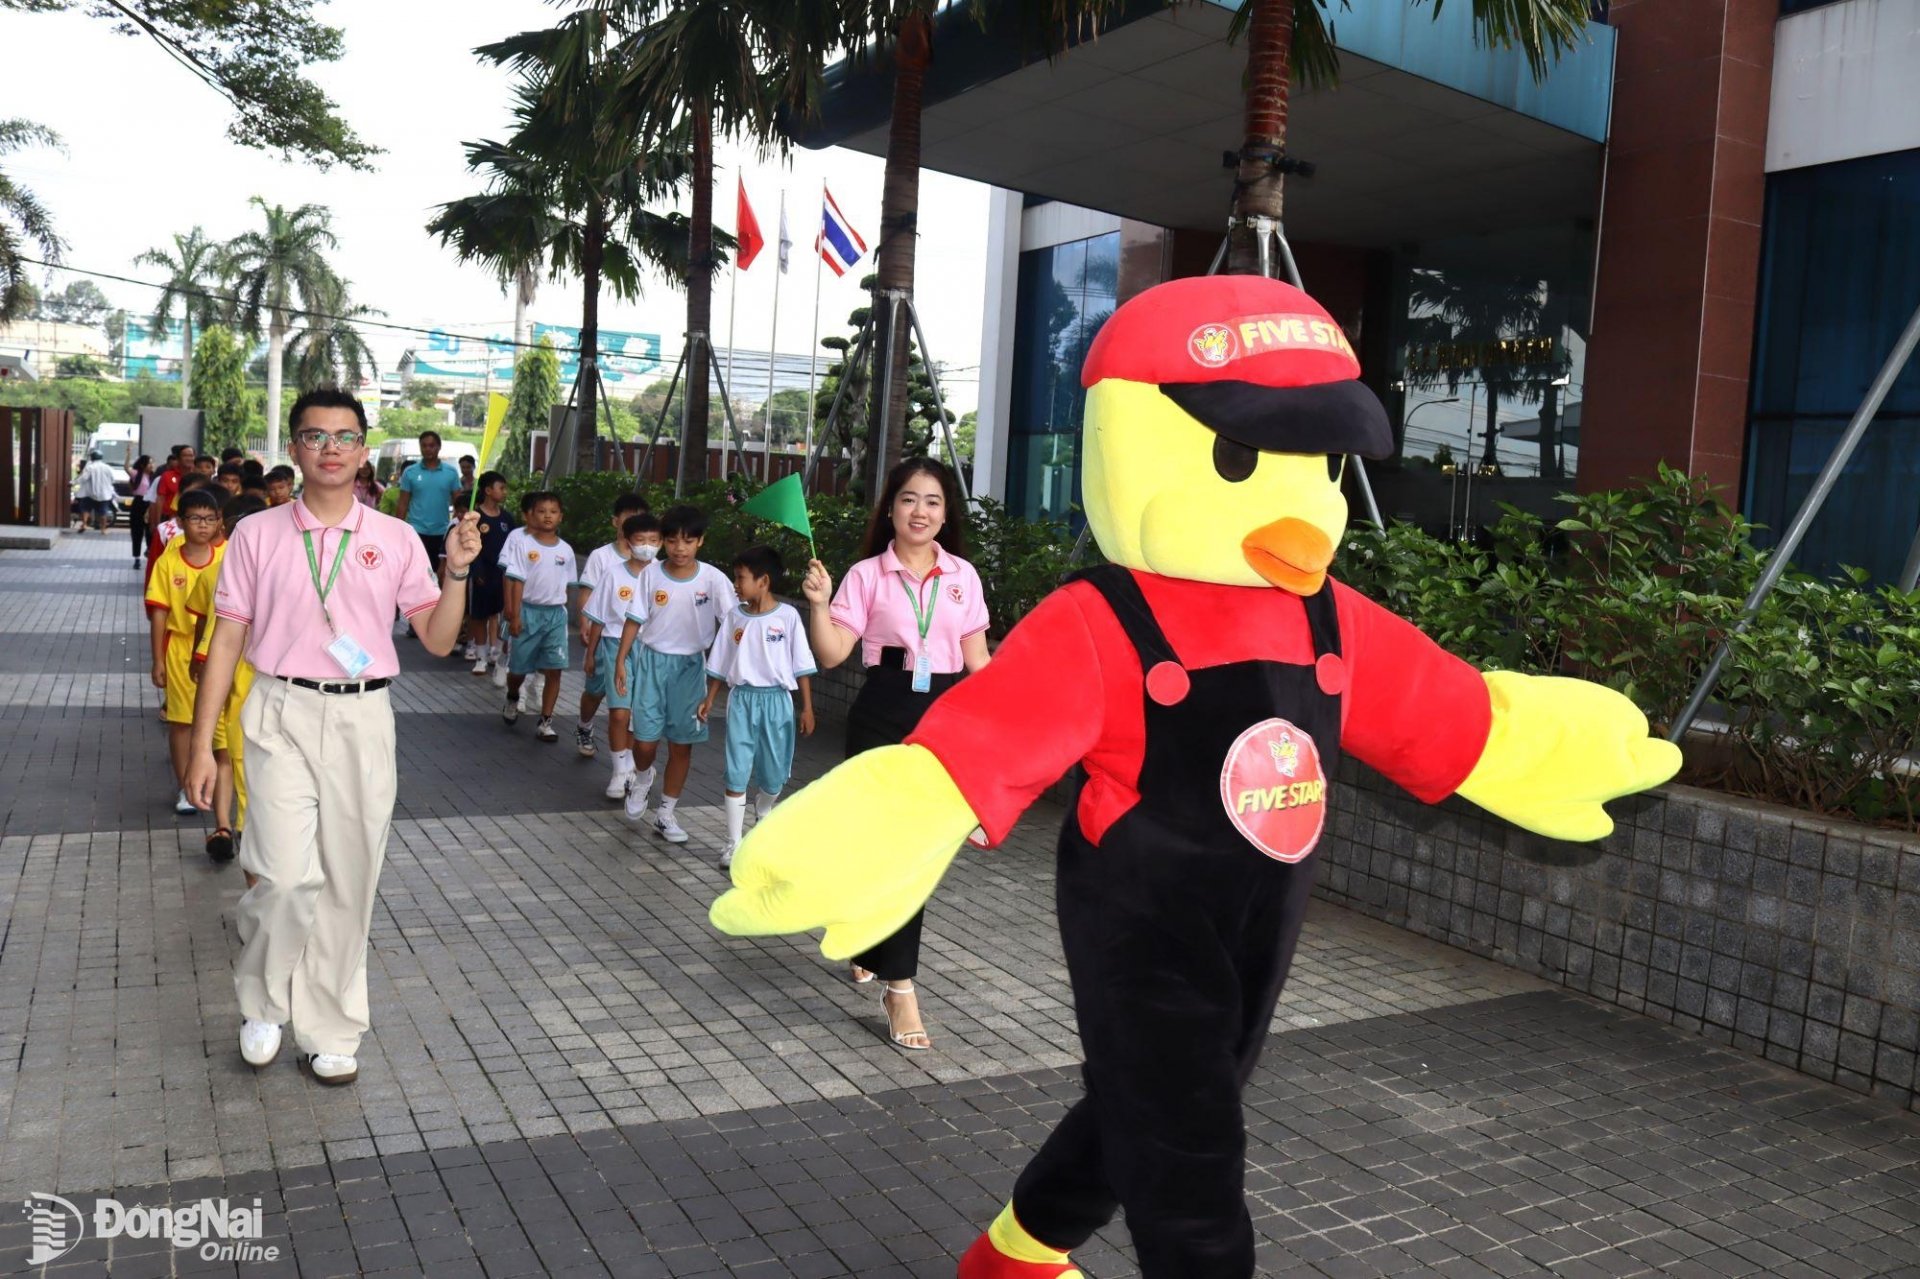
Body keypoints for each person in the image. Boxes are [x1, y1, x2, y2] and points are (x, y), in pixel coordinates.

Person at [186, 388, 481, 1088]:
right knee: (284, 875)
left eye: (345, 437)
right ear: (293, 448)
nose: (330, 449)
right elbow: (227, 641)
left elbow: (438, 639)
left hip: (364, 716)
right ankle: (263, 999)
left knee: (350, 879)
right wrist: (203, 746)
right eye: (315, 436)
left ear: (363, 450)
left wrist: (459, 569)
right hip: (279, 708)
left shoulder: (395, 537)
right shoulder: (256, 534)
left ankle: (331, 1027)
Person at [799, 457, 990, 1051]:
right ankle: (898, 981)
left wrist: (1003, 734)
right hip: (882, 711)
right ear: (891, 507)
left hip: (944, 716)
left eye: (933, 501)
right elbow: (832, 655)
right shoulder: (866, 575)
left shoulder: (963, 576)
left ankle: (887, 967)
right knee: (879, 845)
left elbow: (980, 665)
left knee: (915, 852)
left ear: (945, 513)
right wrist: (818, 603)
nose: (920, 512)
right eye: (909, 499)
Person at [612, 504, 737, 843]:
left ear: (700, 541)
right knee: (645, 744)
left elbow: (734, 624)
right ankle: (641, 777)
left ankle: (666, 813)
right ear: (664, 542)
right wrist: (622, 660)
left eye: (688, 541)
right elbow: (634, 618)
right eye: (672, 541)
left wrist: (728, 670)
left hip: (691, 669)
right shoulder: (650, 574)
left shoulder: (713, 579)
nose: (680, 548)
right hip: (651, 663)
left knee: (682, 746)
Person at [699, 545, 816, 869]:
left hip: (777, 702)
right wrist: (709, 699)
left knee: (774, 775)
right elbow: (720, 661)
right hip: (742, 701)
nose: (735, 585)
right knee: (736, 771)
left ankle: (763, 814)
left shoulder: (788, 617)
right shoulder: (735, 616)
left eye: (741, 578)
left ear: (763, 581)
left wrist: (806, 707)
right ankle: (734, 843)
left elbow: (802, 664)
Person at [186, 493, 269, 864]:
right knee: (225, 758)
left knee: (239, 762)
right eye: (239, 527)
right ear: (227, 527)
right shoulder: (214, 573)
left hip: (255, 686)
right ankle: (227, 826)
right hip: (221, 682)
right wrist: (196, 659)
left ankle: (242, 832)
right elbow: (206, 625)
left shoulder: (277, 572)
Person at [147, 486, 228, 817]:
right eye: (195, 518)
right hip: (179, 648)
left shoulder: (227, 557)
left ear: (220, 521)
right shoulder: (168, 562)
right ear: (180, 521)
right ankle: (185, 785)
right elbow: (159, 613)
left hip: (221, 649)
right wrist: (157, 661)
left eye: (210, 519)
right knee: (181, 722)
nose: (203, 526)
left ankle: (221, 783)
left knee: (220, 720)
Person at [586, 512, 661, 799]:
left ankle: (633, 767)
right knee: (619, 712)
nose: (647, 546)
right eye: (640, 540)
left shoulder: (662, 574)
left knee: (638, 717)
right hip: (615, 646)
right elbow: (598, 616)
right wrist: (591, 654)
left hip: (650, 651)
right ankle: (619, 772)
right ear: (628, 543)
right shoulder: (614, 574)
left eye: (653, 540)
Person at [574, 493, 651, 757]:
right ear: (616, 522)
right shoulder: (602, 557)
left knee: (626, 707)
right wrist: (585, 622)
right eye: (630, 519)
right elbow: (588, 591)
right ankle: (584, 725)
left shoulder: (655, 567)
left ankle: (625, 767)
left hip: (639, 644)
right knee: (594, 692)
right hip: (607, 636)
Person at [500, 490, 577, 743]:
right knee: (518, 669)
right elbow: (516, 580)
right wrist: (515, 614)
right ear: (532, 514)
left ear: (561, 517)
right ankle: (513, 696)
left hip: (555, 615)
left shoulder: (566, 550)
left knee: (555, 669)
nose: (547, 516)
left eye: (553, 512)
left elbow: (568, 585)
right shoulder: (524, 544)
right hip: (528, 612)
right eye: (542, 511)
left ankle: (546, 721)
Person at [465, 471, 515, 677]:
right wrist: (476, 570)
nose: (504, 492)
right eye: (500, 488)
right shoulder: (475, 517)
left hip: (501, 575)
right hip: (480, 573)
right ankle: (480, 656)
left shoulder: (507, 518)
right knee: (479, 616)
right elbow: (468, 545)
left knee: (499, 613)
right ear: (487, 490)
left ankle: (496, 651)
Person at [394, 430, 461, 567]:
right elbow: (403, 504)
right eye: (424, 446)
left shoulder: (451, 473)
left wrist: (456, 528)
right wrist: (398, 532)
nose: (427, 449)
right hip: (416, 531)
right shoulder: (410, 472)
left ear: (439, 447)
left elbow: (459, 504)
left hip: (442, 532)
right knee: (415, 571)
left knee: (438, 575)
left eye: (431, 445)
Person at [75, 450, 118, 533]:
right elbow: (113, 479)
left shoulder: (90, 467)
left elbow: (83, 478)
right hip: (104, 494)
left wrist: (73, 483)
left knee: (86, 509)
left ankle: (84, 524)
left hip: (90, 493)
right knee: (103, 512)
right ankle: (103, 529)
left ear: (92, 458)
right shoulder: (108, 468)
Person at [127, 455, 155, 567]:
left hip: (150, 503)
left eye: (152, 463)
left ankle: (149, 553)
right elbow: (126, 468)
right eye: (149, 463)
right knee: (137, 531)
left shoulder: (154, 477)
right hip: (138, 503)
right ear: (143, 465)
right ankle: (137, 558)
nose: (152, 465)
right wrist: (128, 453)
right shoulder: (137, 474)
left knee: (150, 531)